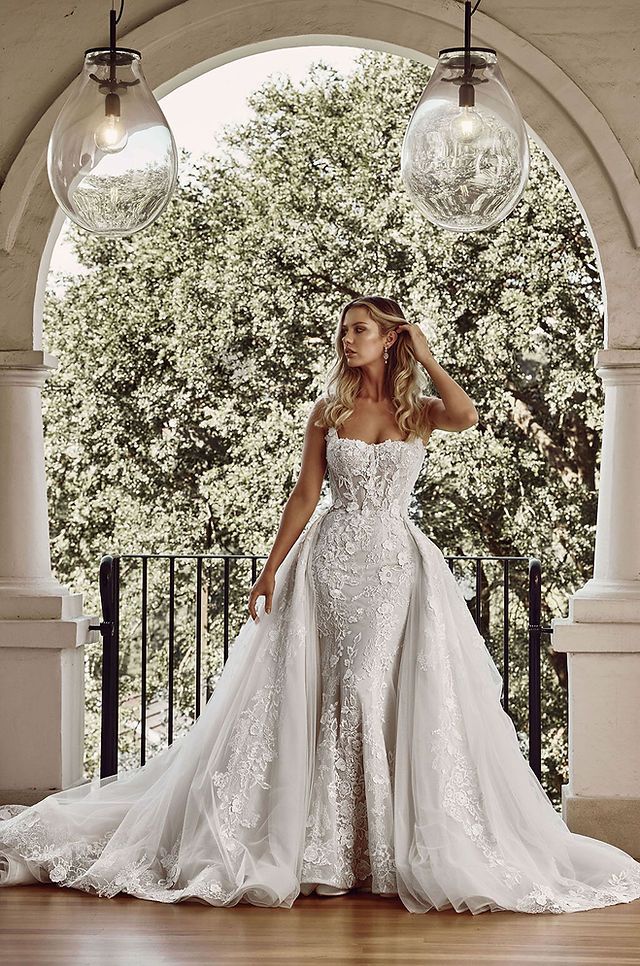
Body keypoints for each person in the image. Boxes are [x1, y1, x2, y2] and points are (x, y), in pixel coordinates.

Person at [1, 295, 639, 915]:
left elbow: (467, 414)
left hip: (394, 565)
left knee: (374, 689)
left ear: (389, 339)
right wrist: (270, 570)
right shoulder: (329, 407)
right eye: (345, 330)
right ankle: (329, 851)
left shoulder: (416, 408)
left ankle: (372, 849)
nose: (347, 339)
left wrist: (426, 350)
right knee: (336, 686)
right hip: (331, 560)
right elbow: (306, 494)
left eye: (361, 329)